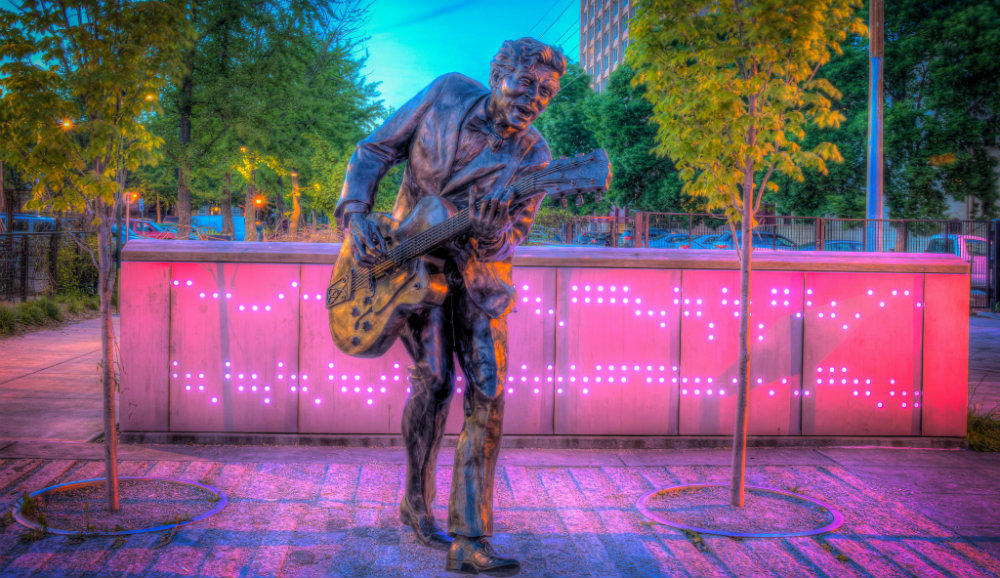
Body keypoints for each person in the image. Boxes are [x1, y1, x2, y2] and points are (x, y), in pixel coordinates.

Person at [334, 38, 565, 576]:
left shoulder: (537, 156)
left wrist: (490, 235)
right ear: (496, 74)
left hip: (478, 277)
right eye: (527, 83)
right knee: (435, 380)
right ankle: (415, 501)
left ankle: (470, 537)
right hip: (407, 261)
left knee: (489, 390)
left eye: (547, 93)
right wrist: (356, 212)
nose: (535, 98)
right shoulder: (444, 94)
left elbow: (515, 238)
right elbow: (374, 150)